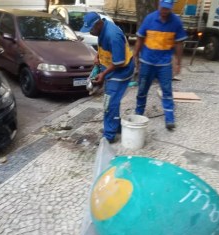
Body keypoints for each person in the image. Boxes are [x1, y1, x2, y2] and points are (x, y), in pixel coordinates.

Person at [80, 12, 135, 143]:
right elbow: (103, 47)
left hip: (121, 71)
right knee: (111, 101)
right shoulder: (102, 29)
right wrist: (98, 57)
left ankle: (109, 136)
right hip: (111, 69)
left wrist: (103, 74)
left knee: (109, 102)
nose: (90, 33)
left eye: (91, 30)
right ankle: (116, 126)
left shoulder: (113, 35)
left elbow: (119, 62)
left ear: (98, 24)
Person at [133, 0, 187, 130]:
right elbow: (140, 39)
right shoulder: (149, 19)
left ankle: (169, 119)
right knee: (142, 90)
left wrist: (178, 63)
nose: (164, 11)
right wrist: (135, 56)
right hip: (147, 62)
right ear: (159, 5)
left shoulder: (176, 22)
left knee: (167, 91)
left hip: (164, 65)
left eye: (167, 9)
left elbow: (178, 44)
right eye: (163, 8)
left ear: (171, 8)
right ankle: (138, 114)